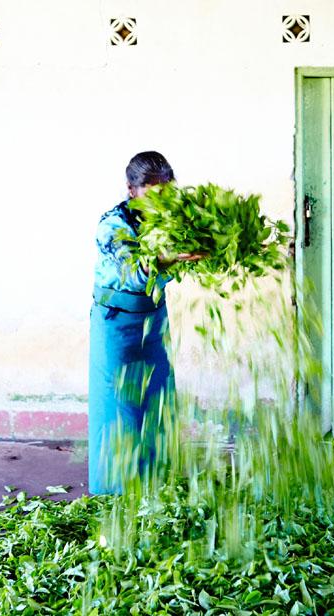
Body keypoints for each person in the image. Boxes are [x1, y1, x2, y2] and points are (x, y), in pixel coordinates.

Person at [88, 151, 202, 495]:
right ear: (131, 189)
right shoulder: (112, 225)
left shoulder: (172, 220)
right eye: (151, 196)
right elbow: (133, 271)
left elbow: (177, 266)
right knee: (119, 406)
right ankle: (115, 495)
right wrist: (166, 259)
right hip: (116, 321)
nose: (159, 205)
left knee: (158, 397)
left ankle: (155, 484)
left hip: (153, 319)